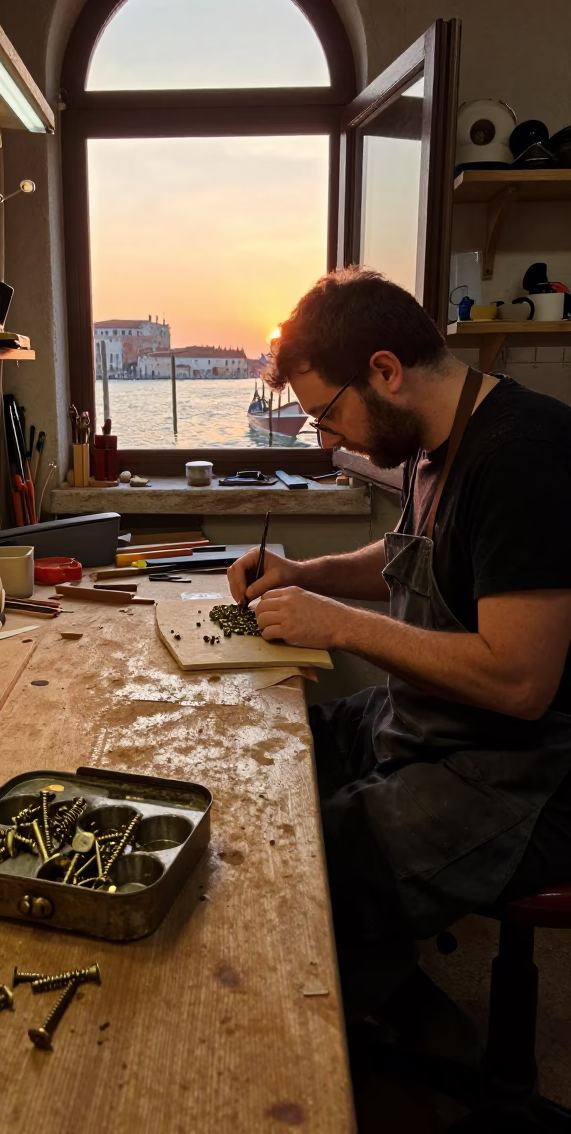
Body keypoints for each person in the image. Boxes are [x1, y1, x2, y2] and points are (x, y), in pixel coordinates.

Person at [228, 267, 571, 1019]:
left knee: (303, 871)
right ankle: (376, 982)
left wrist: (340, 626)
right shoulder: (429, 437)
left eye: (328, 416)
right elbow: (410, 555)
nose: (327, 442)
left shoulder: (523, 457)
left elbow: (520, 682)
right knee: (267, 755)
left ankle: (348, 1047)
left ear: (384, 371)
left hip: (522, 771)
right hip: (429, 722)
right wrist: (302, 573)